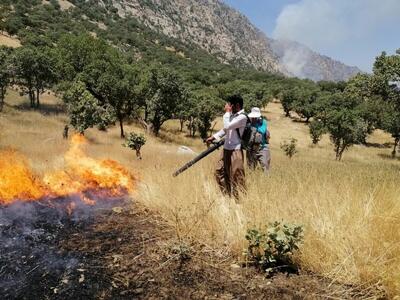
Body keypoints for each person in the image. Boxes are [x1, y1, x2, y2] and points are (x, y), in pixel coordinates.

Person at [206, 95, 247, 199]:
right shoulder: (232, 116)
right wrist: (214, 137)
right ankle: (227, 195)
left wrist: (227, 113)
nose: (228, 107)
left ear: (236, 105)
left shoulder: (242, 117)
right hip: (226, 148)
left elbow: (227, 126)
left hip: (235, 150)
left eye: (230, 105)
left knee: (237, 175)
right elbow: (226, 129)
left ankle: (240, 199)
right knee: (219, 172)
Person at [246, 107, 271, 173]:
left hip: (262, 148)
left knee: (265, 167)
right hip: (251, 149)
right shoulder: (248, 122)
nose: (254, 118)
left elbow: (262, 131)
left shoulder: (263, 122)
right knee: (250, 168)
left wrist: (252, 127)